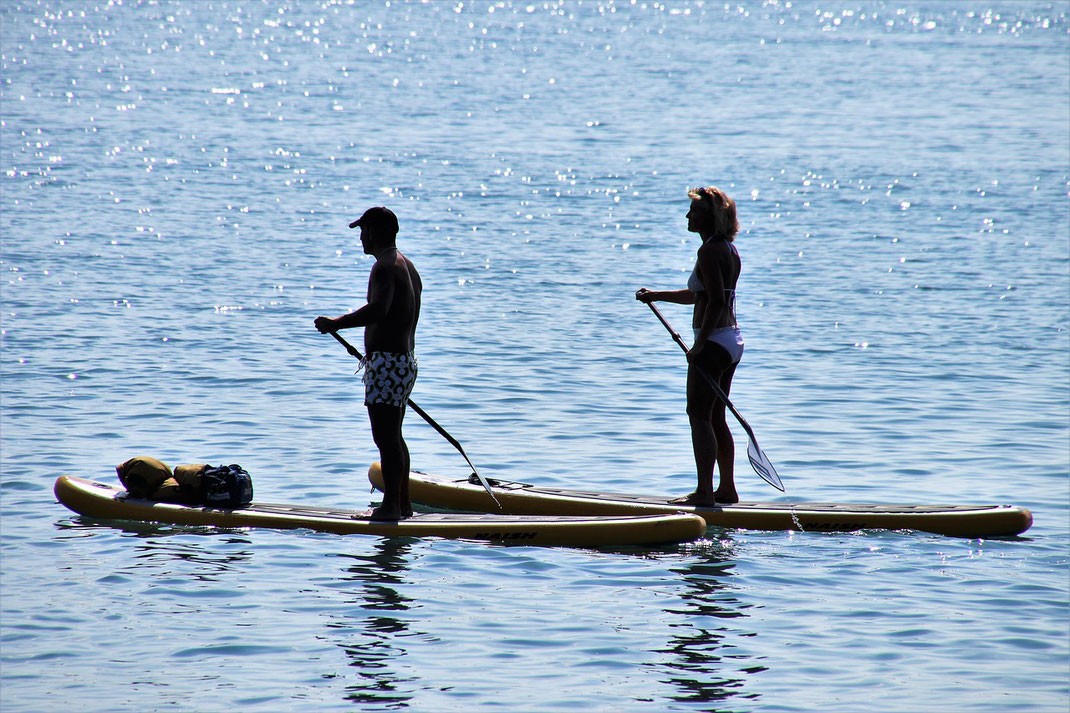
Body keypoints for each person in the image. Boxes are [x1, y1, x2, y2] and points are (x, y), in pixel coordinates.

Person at [636, 186, 744, 505]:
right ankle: (726, 489)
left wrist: (700, 345)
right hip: (731, 341)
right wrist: (656, 296)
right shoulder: (726, 248)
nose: (687, 215)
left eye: (694, 211)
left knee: (698, 414)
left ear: (709, 217)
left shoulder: (709, 251)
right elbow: (701, 295)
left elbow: (716, 301)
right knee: (716, 417)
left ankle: (704, 494)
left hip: (713, 342)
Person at [315, 206, 423, 520]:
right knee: (394, 436)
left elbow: (378, 310)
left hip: (388, 364)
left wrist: (336, 323)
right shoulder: (407, 265)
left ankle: (390, 508)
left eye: (363, 231)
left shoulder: (384, 267)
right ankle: (403, 505)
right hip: (403, 363)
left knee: (385, 438)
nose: (361, 237)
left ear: (374, 232)